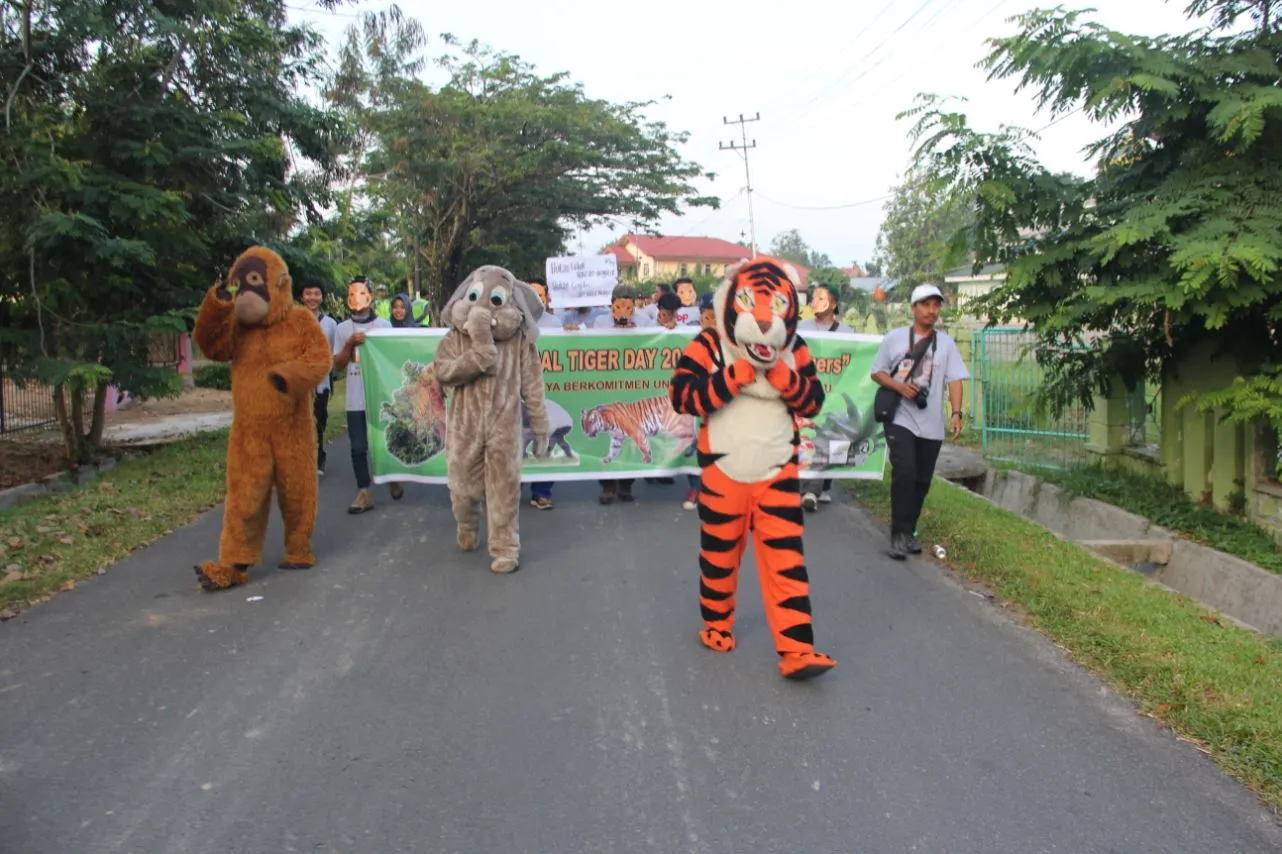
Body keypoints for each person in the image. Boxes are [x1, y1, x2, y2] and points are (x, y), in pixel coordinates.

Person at [869, 283, 968, 560]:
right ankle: (898, 535)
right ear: (913, 308)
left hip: (932, 424)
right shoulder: (895, 338)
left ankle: (910, 530)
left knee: (922, 481)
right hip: (901, 417)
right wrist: (900, 387)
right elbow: (877, 373)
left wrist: (956, 413)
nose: (931, 310)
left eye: (936, 305)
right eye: (925, 304)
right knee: (905, 473)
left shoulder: (946, 344)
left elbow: (956, 378)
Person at [332, 277, 399, 513]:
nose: (357, 299)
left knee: (384, 443)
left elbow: (392, 360)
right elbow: (338, 365)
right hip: (355, 398)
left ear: (370, 296)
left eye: (362, 293)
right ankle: (364, 491)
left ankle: (392, 475)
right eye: (352, 294)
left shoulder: (384, 326)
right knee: (358, 446)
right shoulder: (342, 329)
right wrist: (350, 344)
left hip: (379, 396)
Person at [797, 284, 856, 511]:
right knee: (807, 438)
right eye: (813, 297)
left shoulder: (848, 334)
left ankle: (820, 486)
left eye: (821, 298)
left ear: (833, 304)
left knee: (831, 439)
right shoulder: (802, 329)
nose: (815, 302)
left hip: (834, 396)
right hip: (808, 394)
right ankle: (811, 489)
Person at [595, 284, 637, 504]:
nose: (622, 309)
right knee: (609, 433)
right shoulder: (601, 322)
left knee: (630, 433)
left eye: (628, 304)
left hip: (633, 385)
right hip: (608, 383)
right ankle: (608, 486)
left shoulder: (645, 322)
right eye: (618, 303)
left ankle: (627, 484)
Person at [527, 275, 561, 510]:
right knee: (513, 441)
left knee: (544, 438)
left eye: (540, 295)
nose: (536, 299)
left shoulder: (556, 324)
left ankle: (541, 491)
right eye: (530, 294)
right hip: (516, 391)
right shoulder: (511, 321)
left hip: (546, 392)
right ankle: (508, 488)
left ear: (547, 297)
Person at [299, 278, 338, 476]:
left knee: (319, 420)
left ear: (322, 297)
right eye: (308, 293)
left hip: (322, 382)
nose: (312, 298)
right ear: (301, 296)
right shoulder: (292, 320)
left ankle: (318, 458)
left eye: (316, 294)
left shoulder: (330, 324)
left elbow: (333, 352)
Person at [682, 291, 716, 510]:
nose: (711, 318)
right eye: (706, 313)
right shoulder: (687, 333)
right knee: (695, 440)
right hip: (698, 395)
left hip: (722, 396)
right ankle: (695, 486)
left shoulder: (732, 335)